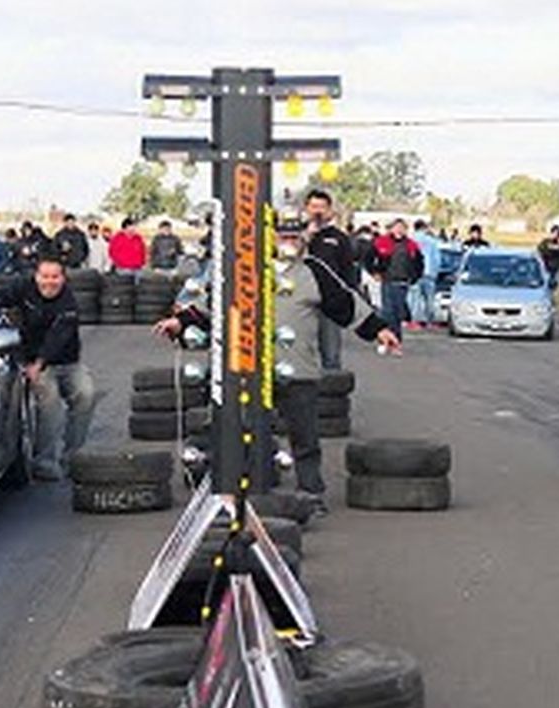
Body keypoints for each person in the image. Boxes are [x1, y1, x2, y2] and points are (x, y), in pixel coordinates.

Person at [155, 214, 400, 514]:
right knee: (240, 431)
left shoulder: (314, 271)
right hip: (249, 370)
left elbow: (345, 304)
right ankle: (238, 495)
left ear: (303, 240)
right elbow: (212, 307)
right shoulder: (247, 270)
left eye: (295, 236)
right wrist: (179, 322)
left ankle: (311, 493)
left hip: (298, 369)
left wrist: (380, 329)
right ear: (269, 238)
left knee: (305, 437)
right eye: (283, 236)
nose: (289, 241)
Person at [0, 251, 99, 481]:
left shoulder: (68, 302)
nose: (49, 282)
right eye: (45, 276)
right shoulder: (22, 287)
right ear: (36, 276)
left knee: (86, 394)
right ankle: (44, 462)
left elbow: (58, 338)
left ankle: (72, 457)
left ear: (63, 278)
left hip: (65, 360)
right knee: (50, 401)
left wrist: (39, 363)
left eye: (55, 277)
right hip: (31, 359)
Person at [305, 188, 357, 369]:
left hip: (329, 303)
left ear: (329, 210)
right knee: (300, 351)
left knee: (330, 353)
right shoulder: (295, 236)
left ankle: (330, 392)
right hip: (301, 302)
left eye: (322, 207)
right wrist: (306, 237)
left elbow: (348, 270)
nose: (317, 211)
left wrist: (348, 299)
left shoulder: (339, 238)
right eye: (313, 206)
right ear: (306, 209)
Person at [370, 218, 424, 339]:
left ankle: (395, 335)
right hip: (387, 280)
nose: (399, 230)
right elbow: (368, 258)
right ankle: (390, 337)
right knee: (388, 311)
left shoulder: (411, 245)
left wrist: (415, 277)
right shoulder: (382, 242)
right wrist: (375, 272)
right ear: (392, 228)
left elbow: (419, 263)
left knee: (399, 311)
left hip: (403, 282)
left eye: (402, 227)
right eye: (397, 227)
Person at [409, 218, 443, 328]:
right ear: (424, 228)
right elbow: (437, 259)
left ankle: (414, 320)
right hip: (429, 273)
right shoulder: (432, 241)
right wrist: (435, 272)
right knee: (429, 299)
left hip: (414, 274)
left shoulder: (410, 240)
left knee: (414, 298)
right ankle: (430, 321)